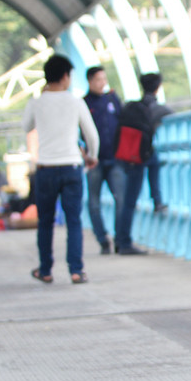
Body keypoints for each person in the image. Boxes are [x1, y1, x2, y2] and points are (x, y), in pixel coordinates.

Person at [22, 54, 99, 284]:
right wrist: (92, 157)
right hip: (71, 167)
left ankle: (45, 269)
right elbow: (91, 135)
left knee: (45, 221)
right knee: (73, 220)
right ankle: (76, 270)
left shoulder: (36, 102)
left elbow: (26, 126)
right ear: (65, 76)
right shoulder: (75, 101)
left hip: (46, 168)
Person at [113, 72, 171, 255]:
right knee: (130, 201)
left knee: (128, 200)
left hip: (132, 155)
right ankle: (124, 242)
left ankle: (121, 239)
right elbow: (170, 115)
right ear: (158, 87)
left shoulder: (134, 106)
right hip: (143, 155)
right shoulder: (158, 108)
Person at [84, 66, 126, 254]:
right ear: (90, 81)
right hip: (94, 160)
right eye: (98, 80)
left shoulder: (112, 99)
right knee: (93, 202)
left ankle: (120, 238)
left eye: (104, 79)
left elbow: (123, 120)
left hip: (115, 158)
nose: (102, 83)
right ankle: (102, 239)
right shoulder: (84, 103)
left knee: (121, 199)